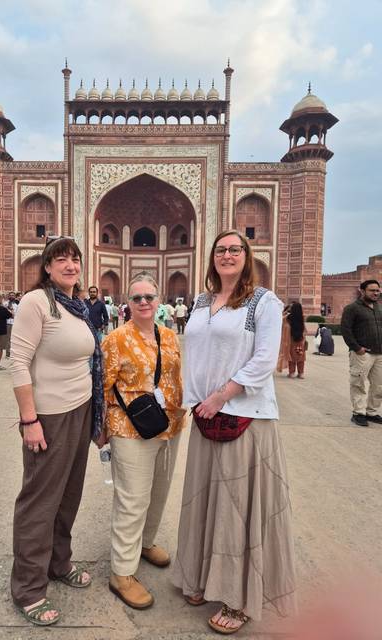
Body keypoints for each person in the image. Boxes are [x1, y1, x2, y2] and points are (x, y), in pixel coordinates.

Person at [172, 230, 297, 634]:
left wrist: (222, 395)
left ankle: (239, 597)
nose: (227, 255)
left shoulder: (264, 301)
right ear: (212, 257)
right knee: (206, 500)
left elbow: (265, 359)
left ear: (248, 255)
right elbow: (194, 354)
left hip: (245, 415)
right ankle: (202, 578)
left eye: (235, 249)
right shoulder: (203, 301)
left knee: (236, 508)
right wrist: (195, 399)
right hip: (207, 412)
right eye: (221, 250)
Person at [9, 236, 104, 626]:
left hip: (80, 411)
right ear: (46, 266)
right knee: (40, 501)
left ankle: (57, 563)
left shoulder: (78, 306)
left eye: (75, 258)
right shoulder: (37, 302)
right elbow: (18, 364)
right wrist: (29, 420)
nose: (70, 265)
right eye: (60, 259)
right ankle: (28, 589)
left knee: (67, 495)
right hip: (48, 416)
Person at [101, 274, 185, 610]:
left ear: (159, 299)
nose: (144, 302)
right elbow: (103, 386)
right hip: (130, 428)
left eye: (150, 296)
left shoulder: (169, 336)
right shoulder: (115, 339)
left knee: (159, 492)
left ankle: (145, 543)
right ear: (127, 303)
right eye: (137, 298)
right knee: (132, 499)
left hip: (169, 426)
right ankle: (121, 572)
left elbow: (175, 377)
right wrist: (102, 428)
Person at [341, 279, 382, 427]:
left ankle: (371, 412)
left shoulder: (379, 308)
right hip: (362, 353)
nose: (376, 293)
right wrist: (357, 348)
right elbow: (346, 330)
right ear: (362, 291)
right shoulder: (352, 308)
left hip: (379, 354)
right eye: (372, 290)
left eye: (377, 290)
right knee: (358, 383)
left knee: (379, 386)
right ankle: (358, 412)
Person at [286, 302, 306, 379]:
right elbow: (304, 330)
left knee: (292, 356)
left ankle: (292, 373)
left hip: (291, 339)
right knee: (300, 355)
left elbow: (281, 320)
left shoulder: (289, 318)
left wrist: (286, 311)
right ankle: (301, 373)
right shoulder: (302, 317)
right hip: (301, 340)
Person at [4, 291, 18, 358]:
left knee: (14, 339)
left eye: (13, 295)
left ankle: (13, 353)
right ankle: (8, 353)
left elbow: (16, 315)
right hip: (7, 323)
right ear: (8, 296)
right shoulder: (5, 304)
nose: (12, 296)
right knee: (8, 339)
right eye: (10, 295)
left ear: (15, 297)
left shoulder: (16, 305)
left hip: (14, 323)